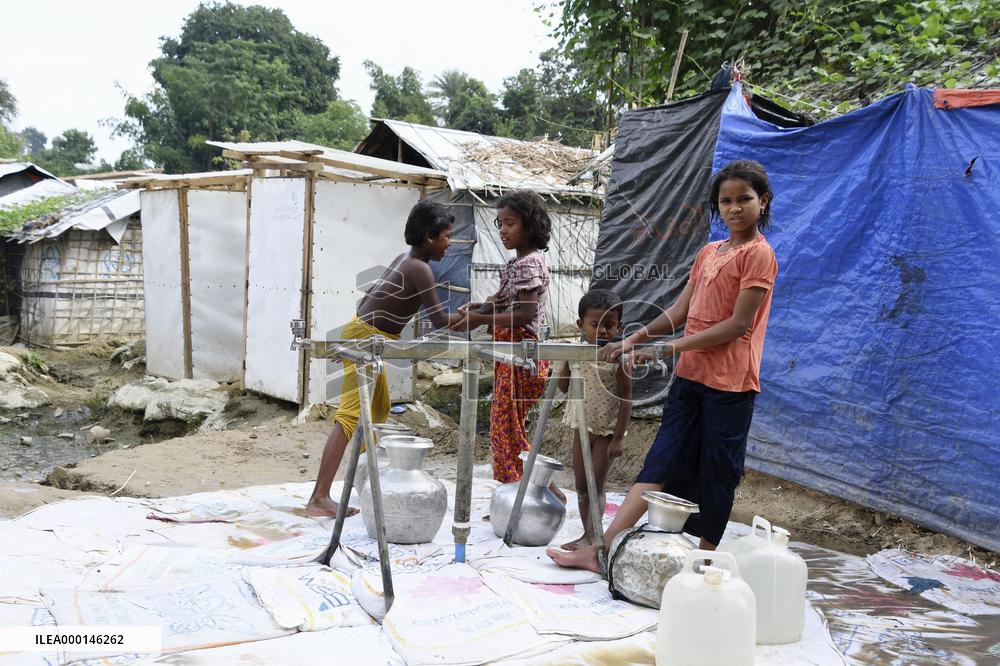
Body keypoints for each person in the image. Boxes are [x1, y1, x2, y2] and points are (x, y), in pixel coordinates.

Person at [548, 159, 779, 572]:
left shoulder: (759, 255)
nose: (734, 208)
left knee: (717, 473)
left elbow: (738, 325)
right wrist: (636, 338)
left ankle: (704, 562)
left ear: (762, 201)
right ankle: (602, 550)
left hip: (730, 386)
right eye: (725, 201)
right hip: (690, 378)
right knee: (660, 461)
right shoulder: (708, 253)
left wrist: (667, 349)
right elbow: (680, 311)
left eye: (744, 199)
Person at [305, 200, 466, 517]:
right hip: (366, 340)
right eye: (447, 236)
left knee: (377, 410)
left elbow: (369, 296)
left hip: (365, 336)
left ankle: (365, 482)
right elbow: (440, 320)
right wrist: (477, 315)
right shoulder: (419, 268)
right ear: (429, 237)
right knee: (350, 417)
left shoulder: (405, 259)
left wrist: (353, 337)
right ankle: (319, 498)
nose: (449, 243)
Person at [455, 191, 556, 487]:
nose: (502, 230)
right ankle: (524, 491)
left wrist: (479, 319)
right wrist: (480, 308)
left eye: (510, 223)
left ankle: (528, 491)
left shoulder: (529, 264)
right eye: (500, 224)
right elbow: (504, 303)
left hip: (523, 357)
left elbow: (525, 314)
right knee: (507, 429)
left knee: (506, 430)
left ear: (530, 225)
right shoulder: (516, 264)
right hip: (511, 355)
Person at [558, 289, 632, 550]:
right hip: (581, 427)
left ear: (619, 326)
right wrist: (565, 360)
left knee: (596, 485)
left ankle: (593, 537)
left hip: (606, 432)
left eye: (609, 325)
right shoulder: (577, 353)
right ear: (581, 325)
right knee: (581, 486)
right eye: (595, 325)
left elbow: (626, 400)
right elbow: (563, 387)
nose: (602, 331)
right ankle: (587, 534)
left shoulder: (619, 360)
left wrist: (618, 438)